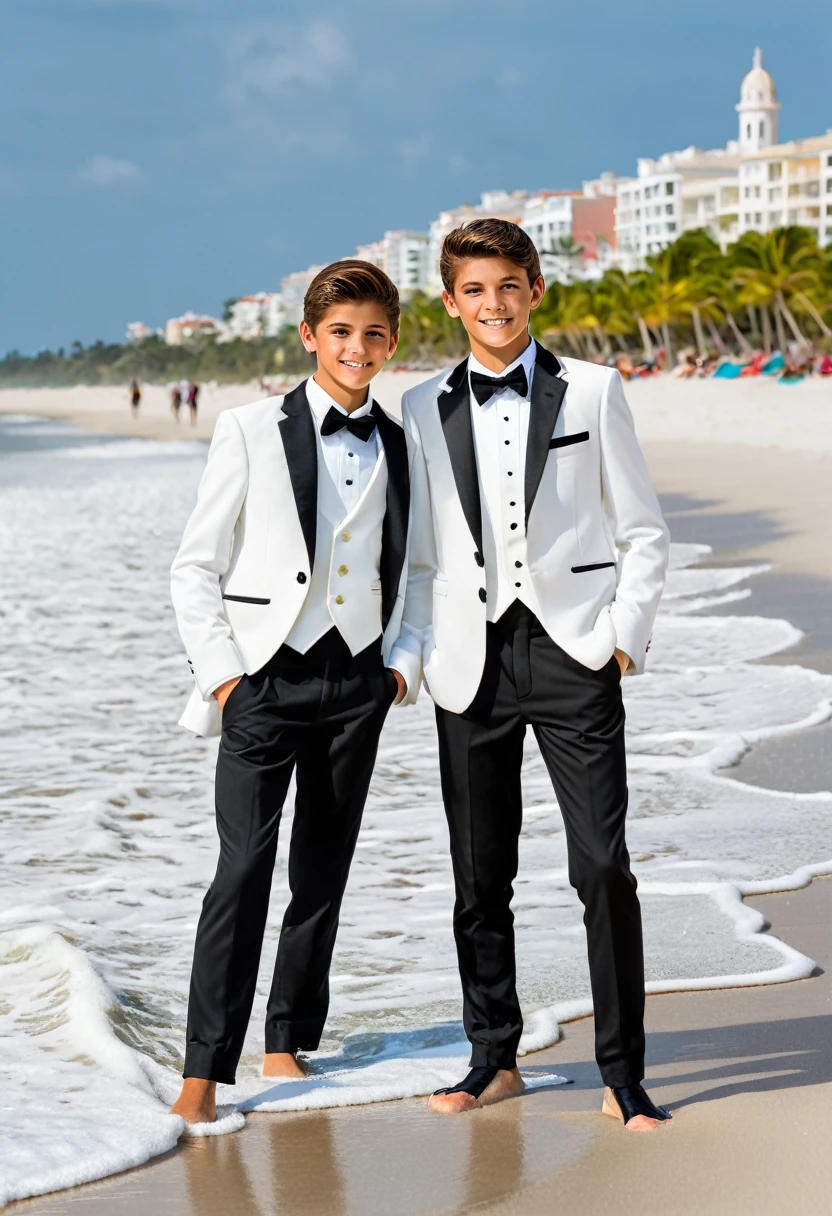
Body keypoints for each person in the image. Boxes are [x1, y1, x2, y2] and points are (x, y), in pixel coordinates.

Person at [398, 219, 672, 1131]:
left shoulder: (595, 388)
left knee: (602, 867)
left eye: (508, 285)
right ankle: (493, 1057)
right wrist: (418, 654)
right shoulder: (419, 405)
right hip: (469, 662)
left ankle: (624, 1071)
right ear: (450, 301)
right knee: (480, 878)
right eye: (474, 290)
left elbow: (642, 530)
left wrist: (623, 641)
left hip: (574, 653)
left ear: (537, 289)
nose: (493, 304)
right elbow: (417, 555)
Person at [168, 260, 421, 1125]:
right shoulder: (245, 429)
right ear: (309, 336)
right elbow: (194, 565)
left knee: (323, 869)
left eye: (375, 333)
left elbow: (414, 571)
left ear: (393, 342)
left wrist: (399, 668)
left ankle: (286, 1038)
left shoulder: (401, 439)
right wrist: (226, 678)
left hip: (358, 678)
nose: (358, 348)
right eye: (341, 332)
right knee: (241, 868)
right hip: (262, 680)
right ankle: (203, 1070)